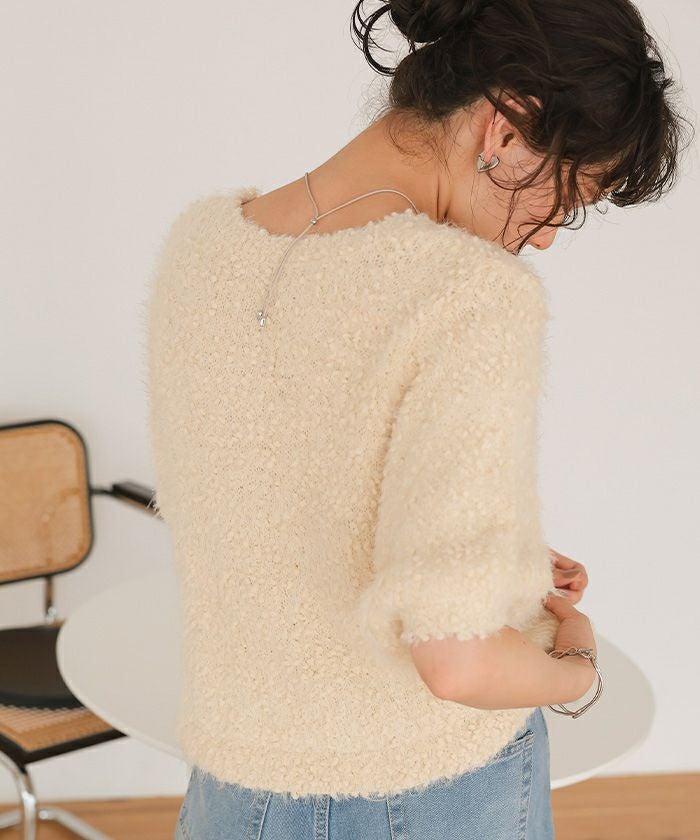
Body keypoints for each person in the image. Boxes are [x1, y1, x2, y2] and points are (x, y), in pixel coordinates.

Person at [145, 1, 692, 838]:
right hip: (423, 792)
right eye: (570, 195)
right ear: (506, 127)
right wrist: (576, 664)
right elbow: (457, 664)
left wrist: (488, 556)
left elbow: (268, 512)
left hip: (234, 787)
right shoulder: (467, 294)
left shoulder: (202, 248)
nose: (549, 237)